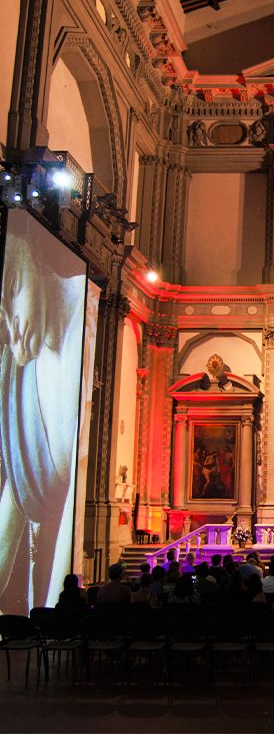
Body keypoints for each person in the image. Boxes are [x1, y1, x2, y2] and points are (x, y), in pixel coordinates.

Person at [0, 212, 89, 613]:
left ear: (36, 261)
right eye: (3, 316)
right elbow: (15, 498)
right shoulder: (17, 369)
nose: (13, 326)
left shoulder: (78, 325)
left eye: (13, 285)